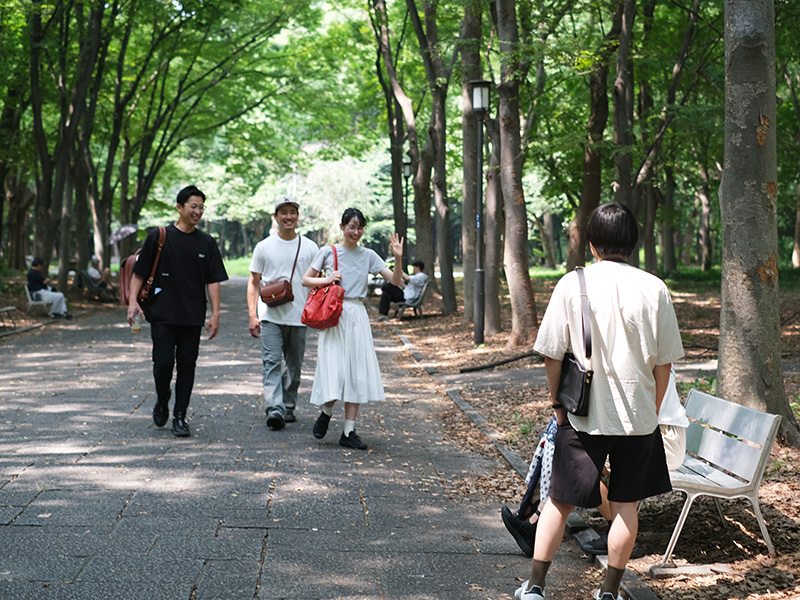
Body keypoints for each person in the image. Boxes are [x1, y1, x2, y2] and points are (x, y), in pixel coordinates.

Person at [515, 203, 684, 600]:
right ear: (632, 242)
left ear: (591, 244)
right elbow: (664, 365)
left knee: (558, 501)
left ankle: (536, 588)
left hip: (583, 416)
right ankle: (609, 593)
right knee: (626, 506)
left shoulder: (572, 284)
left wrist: (559, 406)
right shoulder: (654, 287)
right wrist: (653, 409)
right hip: (638, 420)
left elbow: (551, 354)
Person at [502, 367, 688, 558]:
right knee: (562, 446)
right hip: (634, 426)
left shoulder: (639, 348)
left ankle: (542, 526)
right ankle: (533, 518)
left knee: (580, 464)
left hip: (661, 435)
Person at [127, 185, 228, 438]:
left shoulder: (207, 242)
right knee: (162, 364)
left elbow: (213, 280)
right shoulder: (159, 236)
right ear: (179, 207)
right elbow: (139, 272)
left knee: (187, 366)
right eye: (193, 206)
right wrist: (132, 302)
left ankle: (180, 416)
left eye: (202, 207)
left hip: (192, 316)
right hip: (162, 313)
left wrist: (215, 314)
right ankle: (163, 398)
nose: (198, 211)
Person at [301, 207, 404, 450]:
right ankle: (326, 411)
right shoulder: (328, 252)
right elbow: (306, 279)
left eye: (359, 228)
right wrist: (327, 279)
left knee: (356, 371)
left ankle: (349, 430)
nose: (355, 232)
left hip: (357, 314)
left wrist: (398, 257)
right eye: (351, 227)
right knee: (334, 368)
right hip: (334, 313)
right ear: (342, 227)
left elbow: (396, 280)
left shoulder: (368, 255)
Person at [246, 196, 319, 431]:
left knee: (295, 367)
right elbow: (253, 282)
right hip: (270, 316)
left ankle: (288, 405)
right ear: (275, 216)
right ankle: (275, 409)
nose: (288, 216)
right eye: (283, 212)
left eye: (293, 212)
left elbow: (318, 282)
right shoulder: (264, 246)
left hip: (299, 317)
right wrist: (252, 314)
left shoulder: (309, 247)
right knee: (272, 362)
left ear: (297, 216)